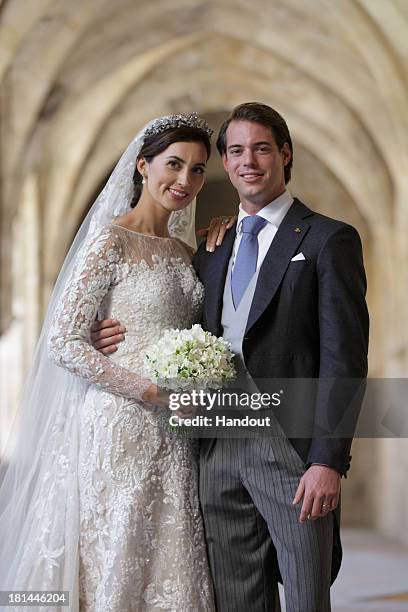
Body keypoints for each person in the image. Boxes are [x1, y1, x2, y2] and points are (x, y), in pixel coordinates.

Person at [94, 102, 369, 612]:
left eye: (262, 148)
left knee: (307, 598)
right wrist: (100, 329)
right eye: (236, 150)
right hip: (215, 447)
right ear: (225, 161)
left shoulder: (330, 239)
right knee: (236, 598)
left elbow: (344, 358)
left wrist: (328, 461)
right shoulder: (210, 248)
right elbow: (165, 315)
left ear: (285, 155)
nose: (249, 161)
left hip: (291, 451)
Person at [0, 112, 237, 612]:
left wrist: (225, 232)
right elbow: (64, 341)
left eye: (197, 170)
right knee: (117, 553)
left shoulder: (183, 250)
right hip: (120, 423)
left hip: (176, 433)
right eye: (174, 164)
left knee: (170, 559)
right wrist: (151, 392)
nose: (185, 180)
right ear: (142, 166)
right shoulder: (110, 240)